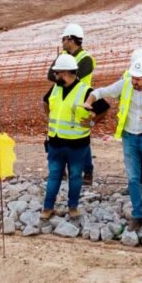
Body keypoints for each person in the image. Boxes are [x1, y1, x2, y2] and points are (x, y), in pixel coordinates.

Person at [83, 54, 142, 231]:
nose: (134, 82)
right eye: (133, 78)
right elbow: (101, 91)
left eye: (138, 79)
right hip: (129, 137)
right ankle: (137, 216)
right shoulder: (125, 84)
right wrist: (89, 101)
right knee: (133, 179)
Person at [42, 54, 108, 220]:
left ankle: (73, 207)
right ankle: (47, 208)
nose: (54, 76)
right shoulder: (55, 89)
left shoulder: (86, 91)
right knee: (54, 175)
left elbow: (104, 109)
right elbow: (45, 102)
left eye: (57, 73)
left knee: (75, 176)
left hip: (77, 145)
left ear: (65, 73)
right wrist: (51, 118)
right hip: (55, 142)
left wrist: (92, 122)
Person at [47, 23, 98, 185]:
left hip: (81, 103)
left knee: (81, 137)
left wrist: (61, 74)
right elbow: (50, 75)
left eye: (64, 39)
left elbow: (73, 78)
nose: (62, 42)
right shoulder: (63, 55)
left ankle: (87, 171)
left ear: (71, 39)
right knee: (58, 136)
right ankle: (61, 171)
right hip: (62, 100)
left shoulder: (86, 59)